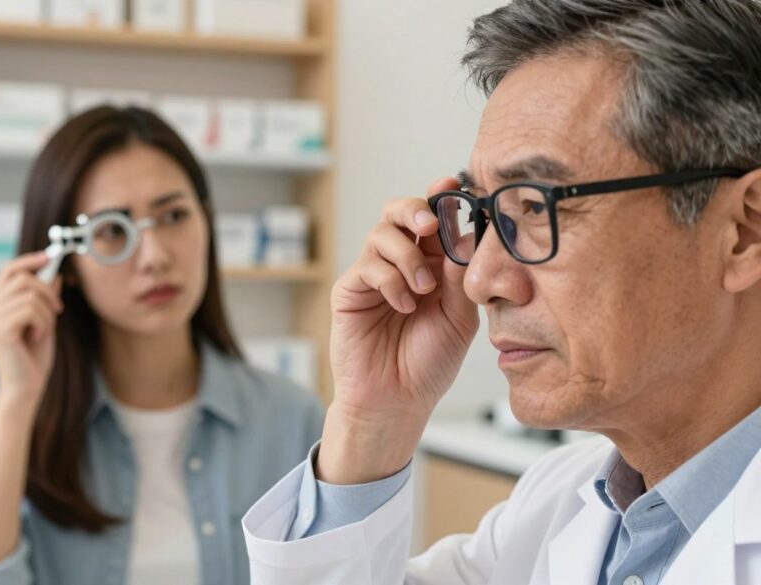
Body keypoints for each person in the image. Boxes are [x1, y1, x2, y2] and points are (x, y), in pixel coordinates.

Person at [242, 1, 761, 584]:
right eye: (484, 213)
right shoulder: (553, 504)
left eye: (535, 207)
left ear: (743, 232)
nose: (479, 279)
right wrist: (373, 421)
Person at [0, 106, 324, 585]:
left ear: (206, 225)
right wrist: (17, 402)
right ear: (65, 262)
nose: (154, 257)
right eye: (112, 231)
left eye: (173, 215)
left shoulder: (291, 420)